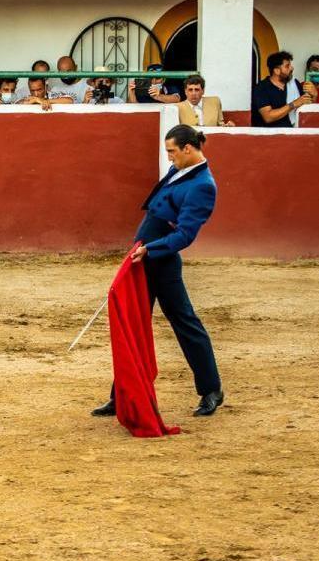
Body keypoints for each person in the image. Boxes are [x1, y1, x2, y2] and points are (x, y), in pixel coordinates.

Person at [92, 124, 224, 419]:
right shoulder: (182, 170)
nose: (170, 157)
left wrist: (151, 249)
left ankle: (211, 389)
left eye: (172, 151)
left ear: (188, 149)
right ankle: (123, 394)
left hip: (160, 261)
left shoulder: (203, 184)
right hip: (142, 256)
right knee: (134, 324)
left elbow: (187, 234)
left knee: (184, 321)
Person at [251, 50, 311, 128]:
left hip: (294, 134)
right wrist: (293, 104)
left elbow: (306, 107)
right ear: (276, 71)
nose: (292, 68)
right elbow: (268, 117)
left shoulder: (294, 83)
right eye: (287, 66)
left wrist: (314, 95)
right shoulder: (262, 88)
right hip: (269, 137)